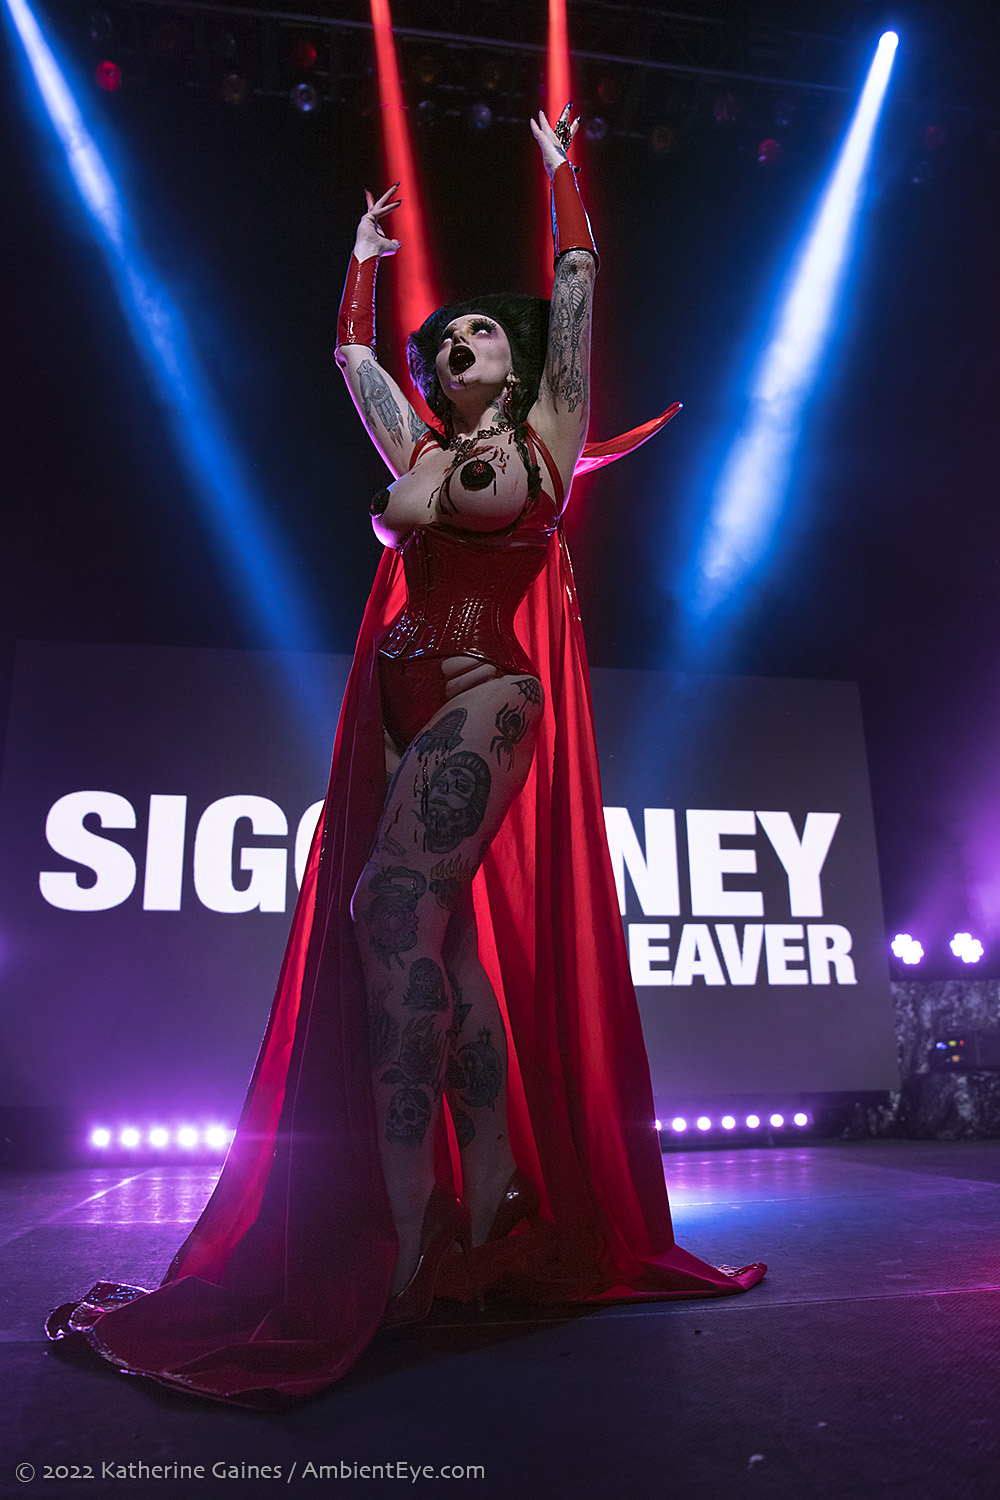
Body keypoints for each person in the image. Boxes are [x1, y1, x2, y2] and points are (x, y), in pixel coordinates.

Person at [47, 109, 764, 1410]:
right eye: (449, 339)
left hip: (487, 697)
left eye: (480, 331)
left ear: (519, 360)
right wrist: (363, 260)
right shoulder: (420, 450)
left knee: (389, 910)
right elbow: (349, 356)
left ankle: (406, 1211)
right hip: (396, 708)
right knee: (444, 943)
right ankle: (485, 1196)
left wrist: (561, 178)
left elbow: (578, 284)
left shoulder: (543, 435)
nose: (460, 343)